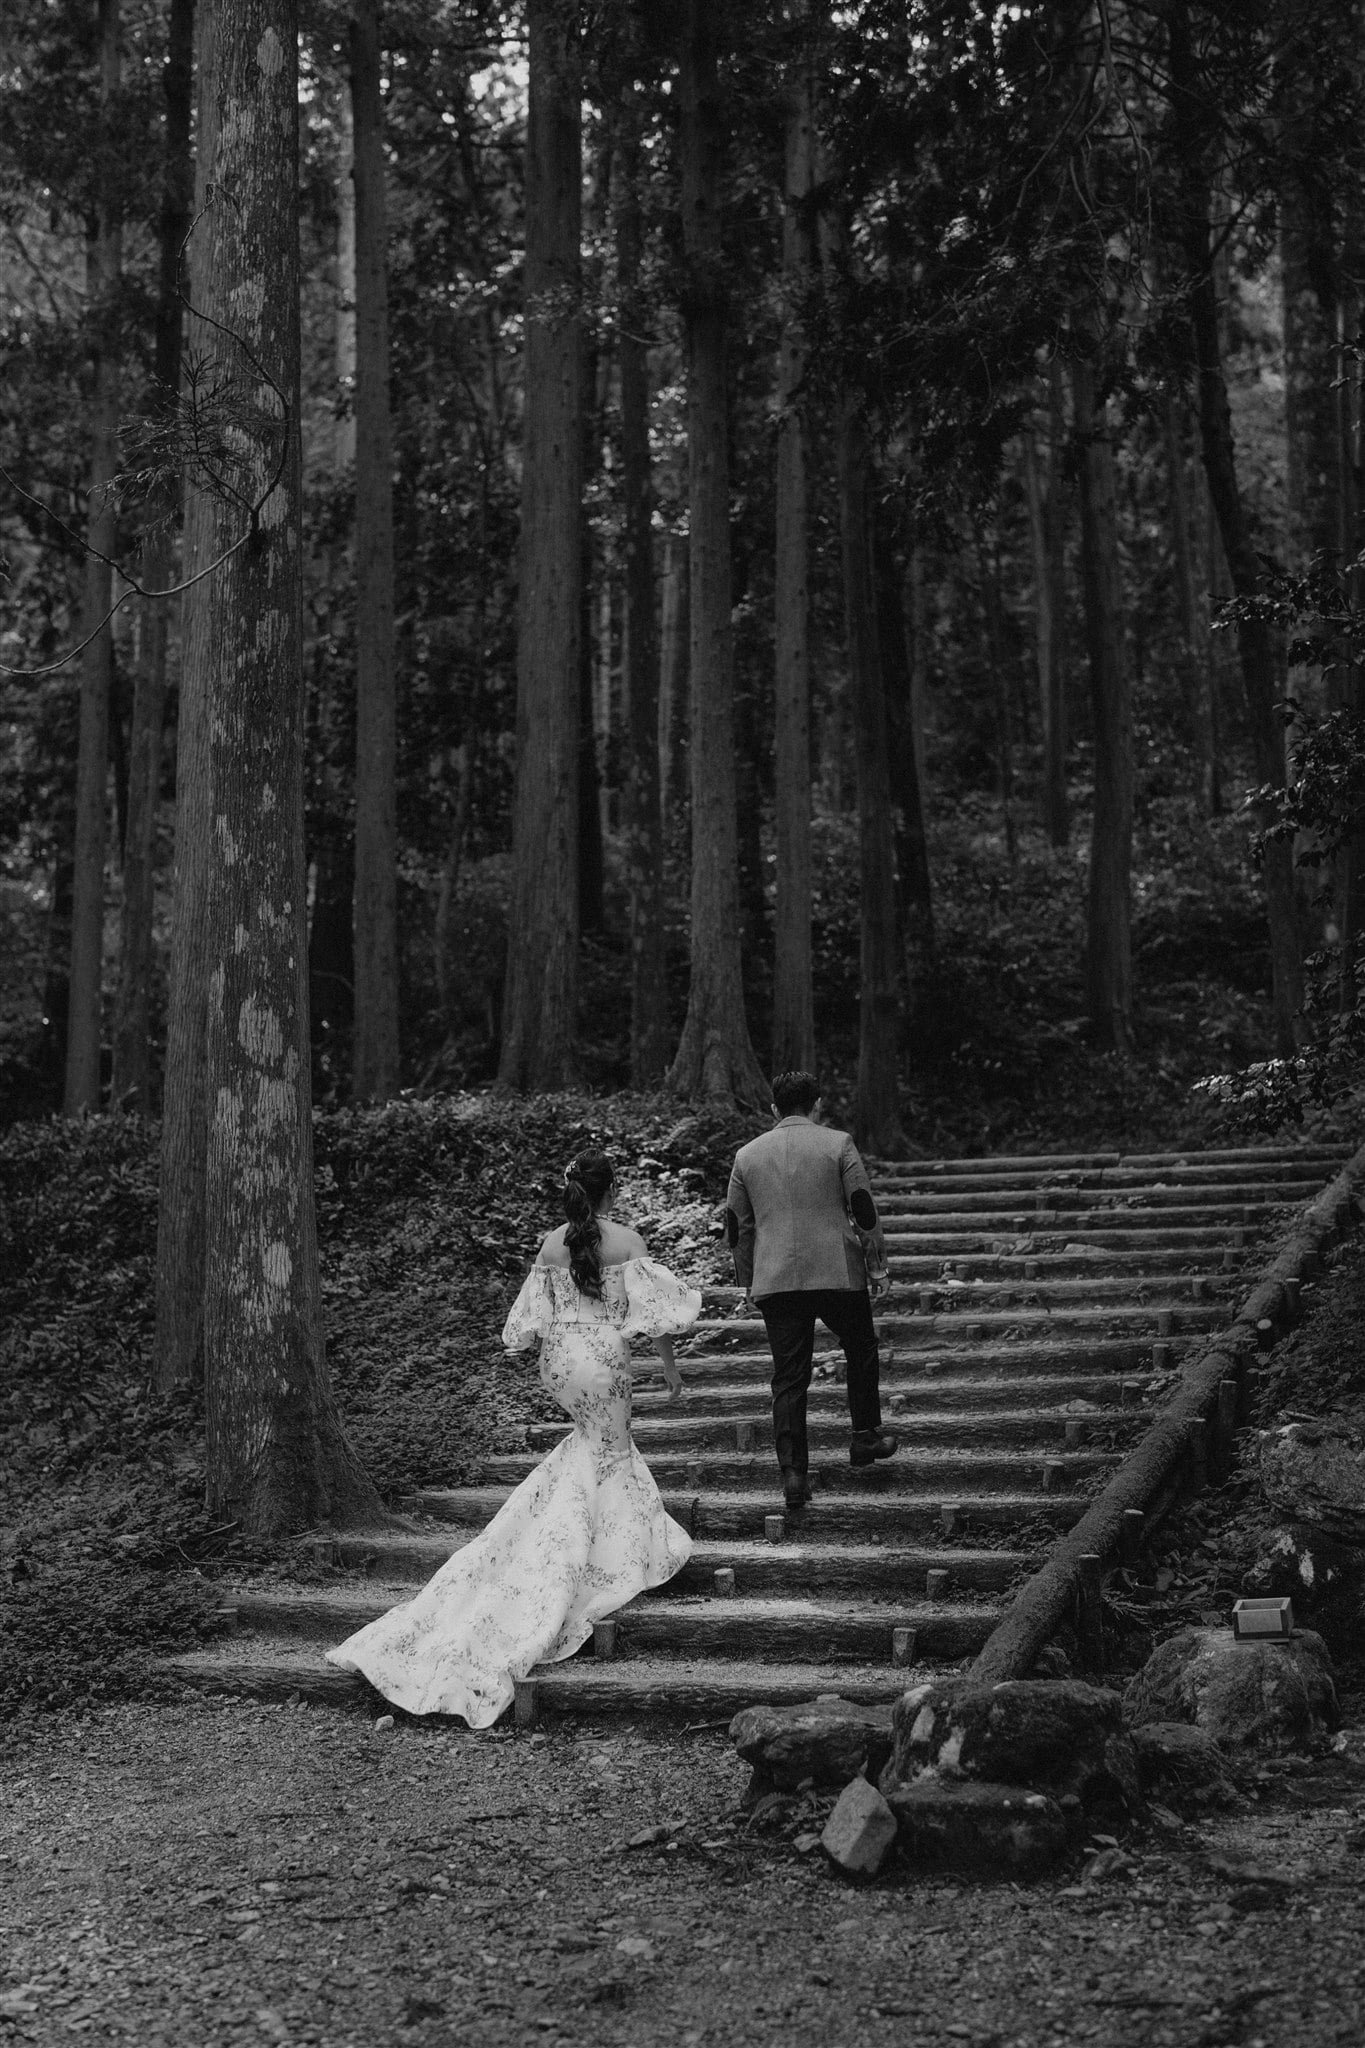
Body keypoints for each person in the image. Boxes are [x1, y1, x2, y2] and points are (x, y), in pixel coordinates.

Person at [326, 1149, 700, 1726]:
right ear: (611, 1191)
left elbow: (530, 1322)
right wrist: (670, 1369)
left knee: (589, 1447)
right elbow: (652, 1317)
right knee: (610, 1450)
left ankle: (586, 1531)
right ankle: (610, 1552)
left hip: (560, 1361)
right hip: (601, 1355)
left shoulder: (552, 1244)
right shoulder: (627, 1242)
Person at [726, 1071, 896, 1511]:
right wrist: (876, 1267)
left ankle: (794, 1474)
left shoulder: (746, 1156)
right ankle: (864, 1437)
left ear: (774, 1110)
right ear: (817, 1105)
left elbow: (737, 1227)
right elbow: (863, 1209)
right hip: (837, 1270)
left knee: (788, 1375)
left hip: (776, 1277)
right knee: (860, 1347)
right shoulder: (838, 1144)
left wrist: (747, 1280)